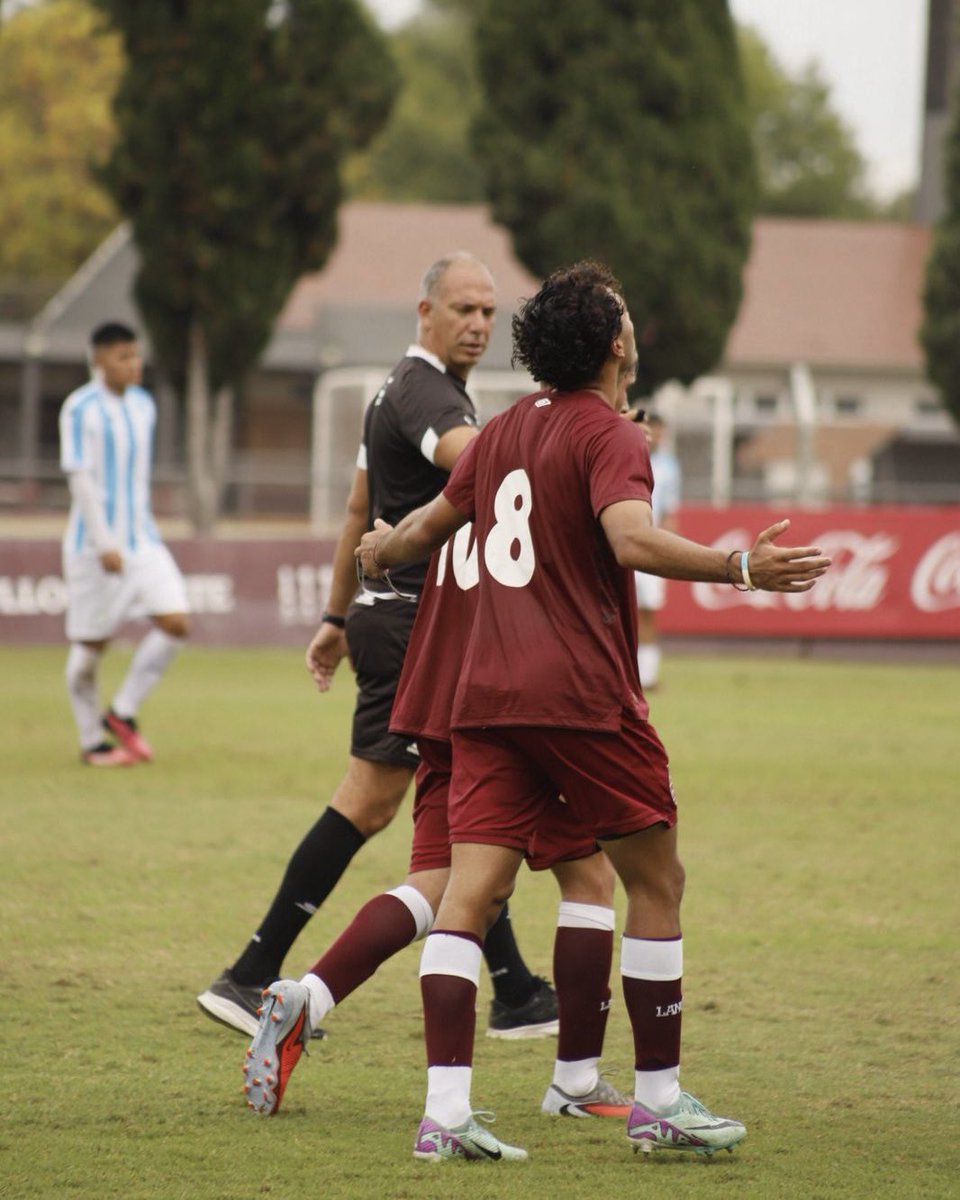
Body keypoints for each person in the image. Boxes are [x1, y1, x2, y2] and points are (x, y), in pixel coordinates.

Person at [355, 260, 832, 1162]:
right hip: (579, 697)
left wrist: (379, 552)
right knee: (656, 882)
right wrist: (738, 567)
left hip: (485, 699)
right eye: (627, 317)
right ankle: (658, 1101)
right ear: (615, 341)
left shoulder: (501, 430)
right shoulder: (611, 434)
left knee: (468, 894)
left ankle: (445, 1116)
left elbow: (422, 529)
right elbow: (630, 538)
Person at [198, 253, 558, 1041]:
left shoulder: (402, 389)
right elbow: (479, 464)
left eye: (489, 312)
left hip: (401, 621)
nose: (479, 324)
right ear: (425, 311)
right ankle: (251, 972)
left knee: (463, 793)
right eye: (463, 308)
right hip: (411, 626)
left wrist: (335, 616)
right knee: (372, 800)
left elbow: (361, 508)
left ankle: (515, 988)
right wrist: (560, 438)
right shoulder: (428, 393)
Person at [239, 519, 628, 1125]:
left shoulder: (462, 485)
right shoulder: (539, 473)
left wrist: (386, 550)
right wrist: (735, 568)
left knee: (439, 883)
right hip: (524, 694)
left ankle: (307, 999)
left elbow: (374, 516)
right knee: (587, 878)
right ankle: (572, 1081)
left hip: (442, 693)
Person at [58, 321, 189, 766]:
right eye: (123, 356)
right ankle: (92, 743)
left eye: (136, 355)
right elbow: (81, 479)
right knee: (88, 652)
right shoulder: (80, 408)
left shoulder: (143, 405)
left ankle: (122, 711)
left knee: (176, 622)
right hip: (94, 548)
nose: (134, 364)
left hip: (143, 540)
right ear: (99, 360)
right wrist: (103, 542)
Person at [634, 413, 681, 690]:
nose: (655, 437)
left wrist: (668, 548)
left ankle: (648, 676)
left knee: (648, 611)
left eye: (660, 432)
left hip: (652, 544)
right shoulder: (624, 456)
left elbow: (669, 511)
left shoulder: (669, 467)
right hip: (626, 541)